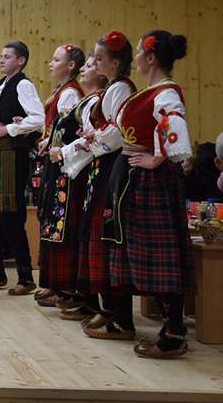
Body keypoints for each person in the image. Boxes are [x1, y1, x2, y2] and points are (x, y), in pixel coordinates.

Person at [102, 30, 193, 358]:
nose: (136, 57)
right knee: (140, 250)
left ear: (151, 58)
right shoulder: (150, 92)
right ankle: (167, 328)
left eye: (140, 51)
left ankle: (174, 332)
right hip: (134, 177)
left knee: (158, 251)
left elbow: (173, 124)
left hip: (150, 181)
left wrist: (158, 158)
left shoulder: (166, 92)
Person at [71, 32, 136, 327]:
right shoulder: (112, 88)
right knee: (97, 233)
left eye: (100, 58)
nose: (94, 63)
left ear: (116, 62)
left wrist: (93, 138)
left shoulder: (120, 88)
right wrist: (94, 136)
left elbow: (118, 132)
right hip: (102, 165)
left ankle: (114, 311)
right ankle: (105, 306)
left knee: (105, 234)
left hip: (111, 166)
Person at [0, 41, 44, 294]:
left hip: (12, 156)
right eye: (1, 56)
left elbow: (38, 120)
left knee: (11, 214)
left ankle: (25, 277)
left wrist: (9, 129)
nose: (1, 60)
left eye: (7, 56)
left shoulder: (23, 85)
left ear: (21, 60)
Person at [41, 56, 107, 308]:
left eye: (89, 66)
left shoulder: (91, 99)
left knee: (68, 227)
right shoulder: (85, 99)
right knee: (59, 225)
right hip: (65, 168)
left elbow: (94, 138)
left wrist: (64, 151)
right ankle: (64, 287)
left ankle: (73, 290)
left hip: (74, 172)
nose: (83, 69)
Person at [33, 44, 85, 303]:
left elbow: (67, 130)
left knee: (60, 224)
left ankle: (64, 286)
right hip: (55, 162)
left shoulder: (70, 93)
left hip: (64, 167)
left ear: (71, 65)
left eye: (56, 60)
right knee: (52, 222)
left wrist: (52, 143)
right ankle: (54, 282)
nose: (50, 64)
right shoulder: (61, 91)